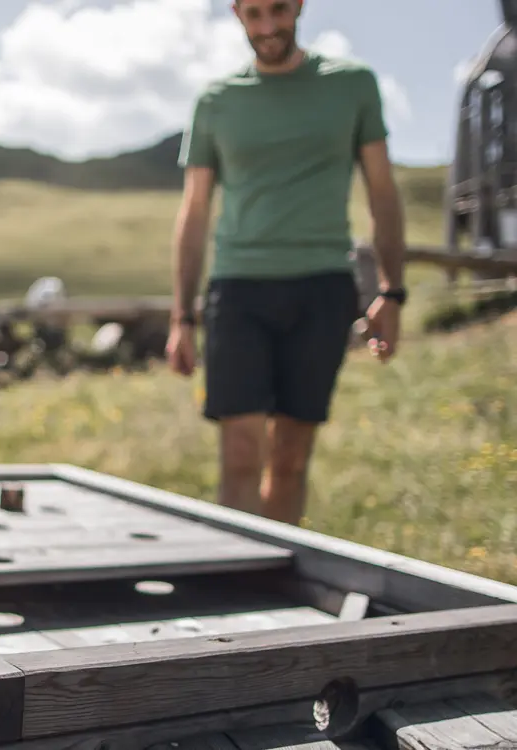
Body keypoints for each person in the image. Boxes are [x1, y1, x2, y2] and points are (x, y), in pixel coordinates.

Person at [166, 0, 407, 526]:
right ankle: (238, 592)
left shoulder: (352, 85)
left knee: (291, 458)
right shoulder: (217, 100)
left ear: (299, 5)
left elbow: (383, 193)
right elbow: (195, 211)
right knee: (240, 454)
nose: (268, 27)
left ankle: (279, 584)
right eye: (254, 14)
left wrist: (391, 292)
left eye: (278, 10)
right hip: (238, 289)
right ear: (236, 13)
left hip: (321, 287)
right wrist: (182, 316)